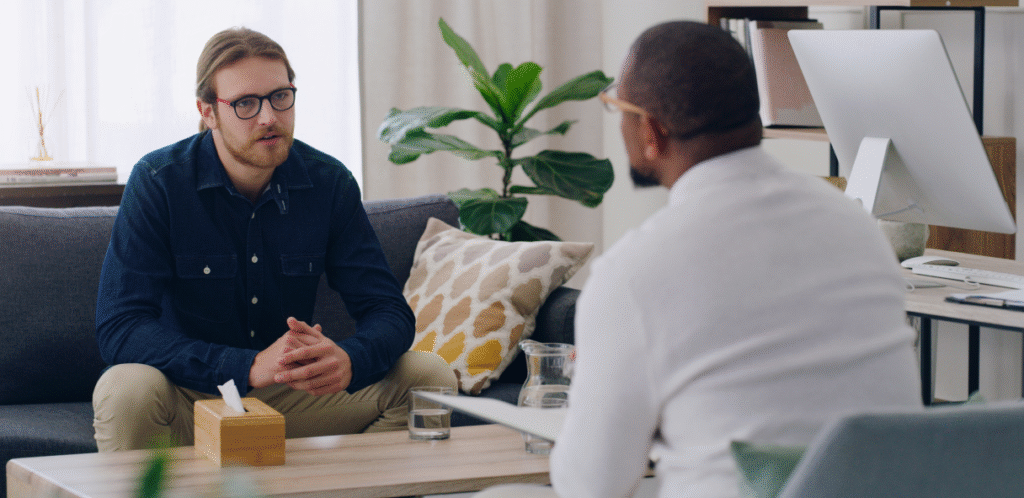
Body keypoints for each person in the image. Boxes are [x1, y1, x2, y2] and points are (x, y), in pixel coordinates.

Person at [479, 20, 922, 498]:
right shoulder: (855, 227)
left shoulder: (635, 272)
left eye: (617, 109)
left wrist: (600, 384)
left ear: (650, 131)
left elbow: (592, 485)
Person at [92, 27, 456, 451]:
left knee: (429, 377)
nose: (268, 117)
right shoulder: (159, 182)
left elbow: (387, 310)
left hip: (291, 397)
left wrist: (351, 359)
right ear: (208, 112)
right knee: (125, 388)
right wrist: (247, 366)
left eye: (280, 97)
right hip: (188, 396)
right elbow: (120, 327)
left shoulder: (328, 183)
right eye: (245, 103)